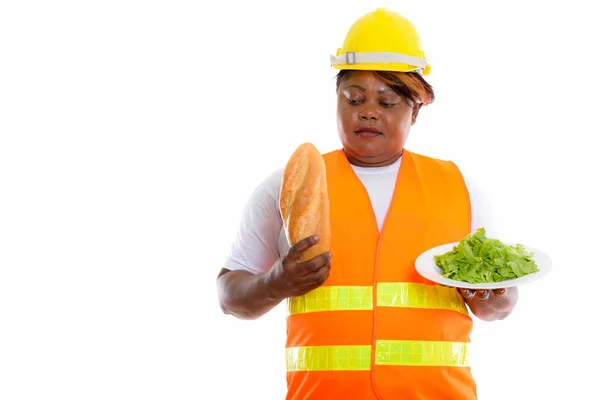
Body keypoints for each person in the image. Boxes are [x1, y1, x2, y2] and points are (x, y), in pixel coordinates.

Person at [216, 8, 518, 399]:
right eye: (353, 98)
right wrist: (277, 283)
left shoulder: (460, 187)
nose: (368, 111)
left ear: (417, 107)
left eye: (388, 101)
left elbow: (502, 305)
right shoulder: (291, 184)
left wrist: (485, 295)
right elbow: (229, 296)